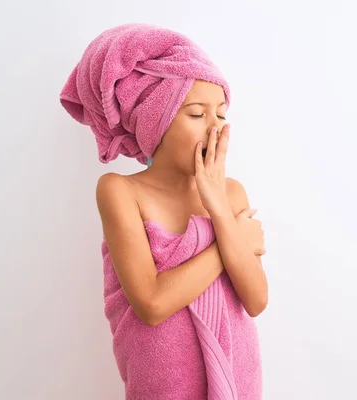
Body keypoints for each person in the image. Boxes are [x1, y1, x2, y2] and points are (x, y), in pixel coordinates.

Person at [60, 23, 267, 400]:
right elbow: (152, 304)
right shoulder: (121, 191)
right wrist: (230, 241)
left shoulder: (231, 195)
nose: (214, 128)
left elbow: (255, 300)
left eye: (220, 114)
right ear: (158, 120)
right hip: (164, 386)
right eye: (196, 114)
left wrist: (219, 209)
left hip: (238, 378)